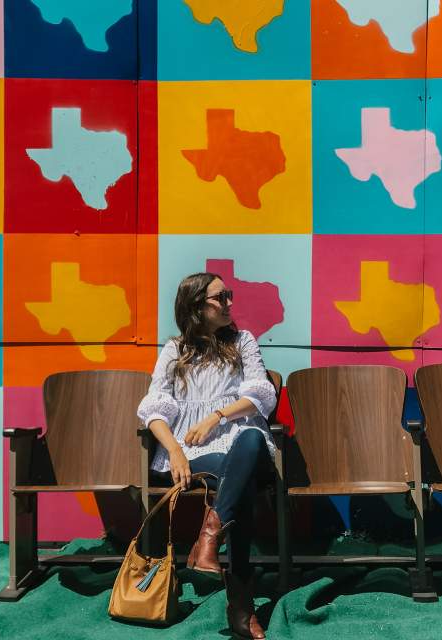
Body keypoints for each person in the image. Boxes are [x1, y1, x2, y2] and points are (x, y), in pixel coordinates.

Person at [137, 272, 277, 640]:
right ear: (196, 306)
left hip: (242, 442)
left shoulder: (242, 341)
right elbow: (154, 409)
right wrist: (175, 451)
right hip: (196, 454)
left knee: (248, 438)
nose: (230, 302)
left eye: (229, 295)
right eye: (221, 297)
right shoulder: (174, 350)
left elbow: (262, 395)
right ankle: (242, 609)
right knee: (239, 489)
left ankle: (208, 541)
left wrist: (218, 415)